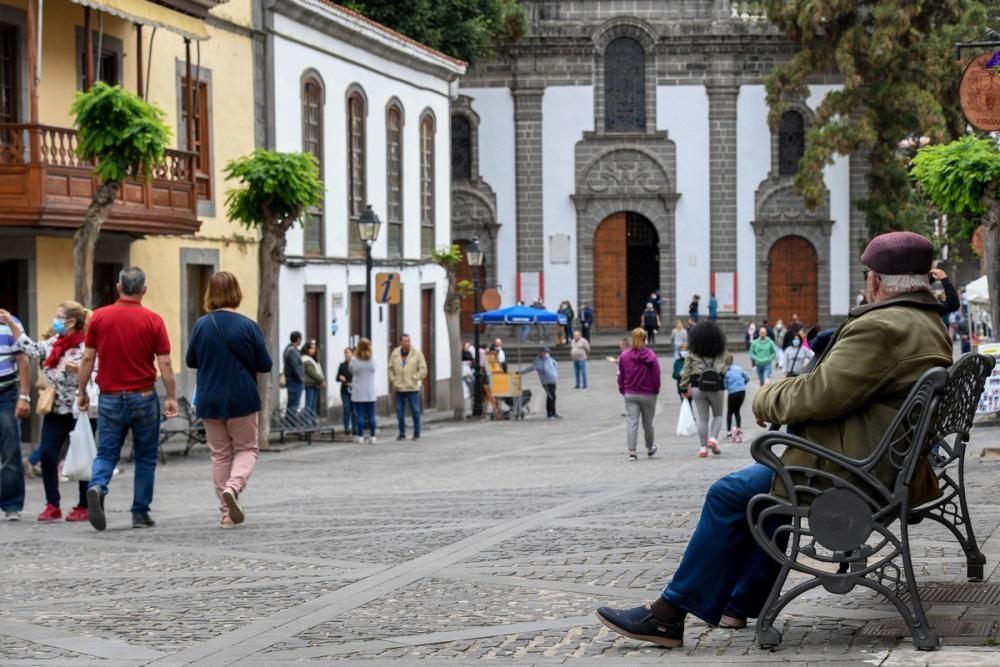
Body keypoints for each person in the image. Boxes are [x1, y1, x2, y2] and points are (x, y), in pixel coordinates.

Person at [596, 230, 953, 649]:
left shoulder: (882, 327)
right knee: (762, 495)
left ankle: (669, 614)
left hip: (855, 473)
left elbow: (819, 394)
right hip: (884, 466)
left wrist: (767, 396)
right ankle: (741, 602)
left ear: (875, 281)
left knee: (729, 493)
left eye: (866, 277)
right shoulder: (927, 324)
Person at [76, 267, 177, 531]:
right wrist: (172, 397)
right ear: (144, 290)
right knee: (145, 456)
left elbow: (87, 358)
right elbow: (164, 362)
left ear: (118, 287)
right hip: (143, 396)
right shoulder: (153, 320)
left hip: (109, 398)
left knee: (107, 452)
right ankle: (140, 513)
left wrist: (82, 391)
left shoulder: (99, 317)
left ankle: (98, 486)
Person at [185, 272, 272, 528]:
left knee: (220, 455)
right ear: (236, 292)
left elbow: (191, 361)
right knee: (246, 448)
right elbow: (265, 364)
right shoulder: (248, 326)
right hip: (242, 397)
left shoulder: (201, 325)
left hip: (210, 398)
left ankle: (226, 514)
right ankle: (233, 487)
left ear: (210, 293)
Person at [1, 303, 93, 522]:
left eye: (59, 317)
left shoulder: (85, 347)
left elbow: (96, 372)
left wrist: (78, 370)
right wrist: (13, 324)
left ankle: (84, 505)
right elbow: (31, 349)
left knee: (82, 455)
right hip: (57, 407)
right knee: (48, 455)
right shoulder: (55, 343)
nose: (55, 320)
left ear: (71, 322)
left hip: (79, 408)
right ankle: (53, 504)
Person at [679, 321, 729, 458]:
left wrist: (683, 387)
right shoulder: (722, 352)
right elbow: (726, 365)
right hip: (717, 386)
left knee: (703, 418)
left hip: (697, 386)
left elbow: (685, 372)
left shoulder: (692, 353)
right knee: (718, 415)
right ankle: (713, 438)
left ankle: (703, 448)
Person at [0, 309, 30, 520]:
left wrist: (24, 396)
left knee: (10, 450)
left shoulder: (10, 323)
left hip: (7, 394)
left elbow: (22, 361)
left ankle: (12, 505)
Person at [618, 327, 660, 461]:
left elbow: (621, 375)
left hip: (630, 393)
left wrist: (622, 389)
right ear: (644, 338)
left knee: (631, 422)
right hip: (648, 393)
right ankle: (649, 447)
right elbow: (656, 375)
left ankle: (632, 452)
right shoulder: (651, 355)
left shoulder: (624, 356)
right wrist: (656, 389)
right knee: (648, 423)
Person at [388, 334, 427, 441]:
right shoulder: (395, 353)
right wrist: (393, 380)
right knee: (399, 411)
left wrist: (416, 377)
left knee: (415, 410)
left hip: (412, 387)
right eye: (405, 341)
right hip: (399, 387)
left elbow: (423, 369)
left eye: (408, 340)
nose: (407, 343)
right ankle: (402, 433)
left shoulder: (416, 353)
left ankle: (417, 432)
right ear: (400, 342)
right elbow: (390, 368)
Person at [349, 338, 377, 444]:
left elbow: (351, 370)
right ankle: (373, 436)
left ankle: (360, 436)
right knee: (371, 415)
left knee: (359, 415)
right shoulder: (373, 359)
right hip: (370, 390)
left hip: (358, 390)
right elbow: (375, 369)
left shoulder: (354, 360)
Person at [523, 347, 559, 419]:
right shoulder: (538, 361)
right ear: (541, 353)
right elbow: (531, 368)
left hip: (553, 381)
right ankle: (550, 414)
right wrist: (522, 372)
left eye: (547, 352)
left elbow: (555, 364)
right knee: (551, 396)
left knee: (553, 397)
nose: (546, 354)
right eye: (545, 352)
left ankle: (553, 412)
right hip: (546, 382)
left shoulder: (550, 359)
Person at [724, 359, 750, 443]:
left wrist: (729, 387)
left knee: (730, 412)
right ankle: (738, 428)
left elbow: (724, 385)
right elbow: (747, 377)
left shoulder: (726, 371)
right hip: (742, 391)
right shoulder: (738, 368)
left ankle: (729, 432)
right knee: (737, 411)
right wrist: (742, 384)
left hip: (732, 392)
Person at [302, 339, 325, 420]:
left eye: (314, 348)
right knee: (309, 405)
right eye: (311, 348)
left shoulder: (312, 359)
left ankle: (312, 422)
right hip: (310, 384)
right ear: (306, 349)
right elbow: (311, 372)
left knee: (313, 405)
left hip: (315, 384)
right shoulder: (306, 359)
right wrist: (321, 380)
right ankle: (307, 422)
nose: (313, 350)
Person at [283, 332, 304, 416]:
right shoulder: (292, 351)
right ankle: (291, 426)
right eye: (301, 339)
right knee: (293, 405)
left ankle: (290, 425)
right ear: (298, 339)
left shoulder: (289, 349)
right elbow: (295, 367)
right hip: (294, 381)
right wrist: (301, 379)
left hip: (293, 380)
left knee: (292, 404)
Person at [336, 348, 353, 438]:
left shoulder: (355, 365)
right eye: (345, 353)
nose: (347, 355)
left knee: (354, 410)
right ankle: (346, 428)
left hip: (354, 390)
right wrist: (340, 377)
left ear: (352, 354)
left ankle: (355, 428)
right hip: (345, 390)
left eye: (348, 353)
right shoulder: (342, 365)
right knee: (346, 408)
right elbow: (337, 377)